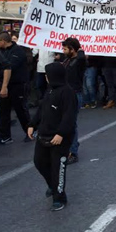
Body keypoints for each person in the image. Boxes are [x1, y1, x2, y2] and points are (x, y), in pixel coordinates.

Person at [28, 62, 78, 211]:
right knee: (39, 162)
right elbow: (42, 110)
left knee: (58, 168)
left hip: (59, 138)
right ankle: (52, 185)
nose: (45, 77)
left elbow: (69, 116)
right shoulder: (49, 91)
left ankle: (59, 197)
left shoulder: (68, 93)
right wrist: (32, 124)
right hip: (43, 136)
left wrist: (61, 133)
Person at [0, 32, 31, 143]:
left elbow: (10, 66)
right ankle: (5, 136)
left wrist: (0, 72)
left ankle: (30, 131)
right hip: (5, 84)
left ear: (3, 41)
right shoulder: (2, 51)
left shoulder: (17, 51)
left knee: (20, 109)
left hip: (17, 84)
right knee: (3, 111)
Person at [61, 38, 86, 165]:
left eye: (65, 49)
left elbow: (81, 57)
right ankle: (70, 146)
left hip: (75, 94)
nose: (63, 51)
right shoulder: (67, 60)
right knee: (66, 122)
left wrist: (79, 49)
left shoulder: (79, 61)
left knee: (71, 123)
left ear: (72, 49)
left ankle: (73, 152)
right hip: (66, 94)